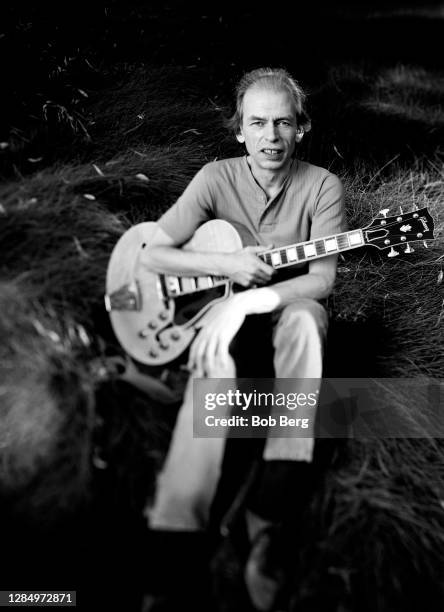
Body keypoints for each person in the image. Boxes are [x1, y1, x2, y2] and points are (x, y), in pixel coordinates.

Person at [141, 67, 346, 611]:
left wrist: (249, 300)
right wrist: (226, 265)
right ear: (239, 130)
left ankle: (270, 510)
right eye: (258, 123)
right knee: (213, 367)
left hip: (282, 307)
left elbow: (322, 280)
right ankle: (174, 537)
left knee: (306, 321)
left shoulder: (323, 185)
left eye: (283, 123)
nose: (271, 137)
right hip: (213, 305)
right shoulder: (214, 178)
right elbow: (155, 253)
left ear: (301, 128)